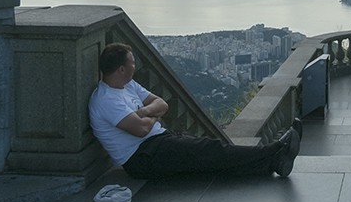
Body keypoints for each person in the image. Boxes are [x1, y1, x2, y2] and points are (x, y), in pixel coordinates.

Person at [89, 42, 301, 179]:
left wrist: (144, 113)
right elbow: (142, 129)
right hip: (142, 158)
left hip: (156, 143)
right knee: (211, 150)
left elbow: (162, 104)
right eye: (132, 63)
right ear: (121, 69)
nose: (135, 66)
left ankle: (274, 163)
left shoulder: (127, 85)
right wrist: (151, 116)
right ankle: (275, 151)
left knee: (209, 158)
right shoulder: (106, 100)